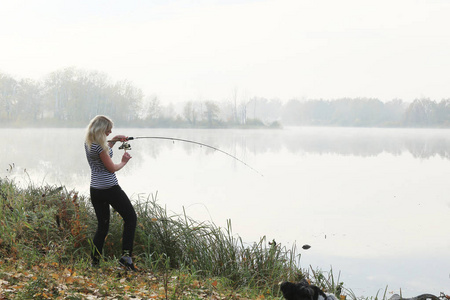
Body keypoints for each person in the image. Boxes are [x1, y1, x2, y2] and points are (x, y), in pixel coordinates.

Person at [84, 115, 137, 270]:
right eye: (108, 129)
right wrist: (124, 161)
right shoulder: (100, 147)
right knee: (131, 218)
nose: (110, 131)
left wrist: (113, 140)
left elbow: (103, 153)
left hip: (95, 190)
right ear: (101, 129)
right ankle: (126, 259)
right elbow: (111, 168)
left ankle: (94, 263)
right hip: (110, 188)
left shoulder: (89, 143)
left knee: (102, 227)